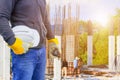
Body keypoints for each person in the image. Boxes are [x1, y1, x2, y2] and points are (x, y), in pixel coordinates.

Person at [0, 0, 60, 80]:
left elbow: (44, 19)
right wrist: (12, 41)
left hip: (41, 51)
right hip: (24, 52)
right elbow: (1, 17)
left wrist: (51, 39)